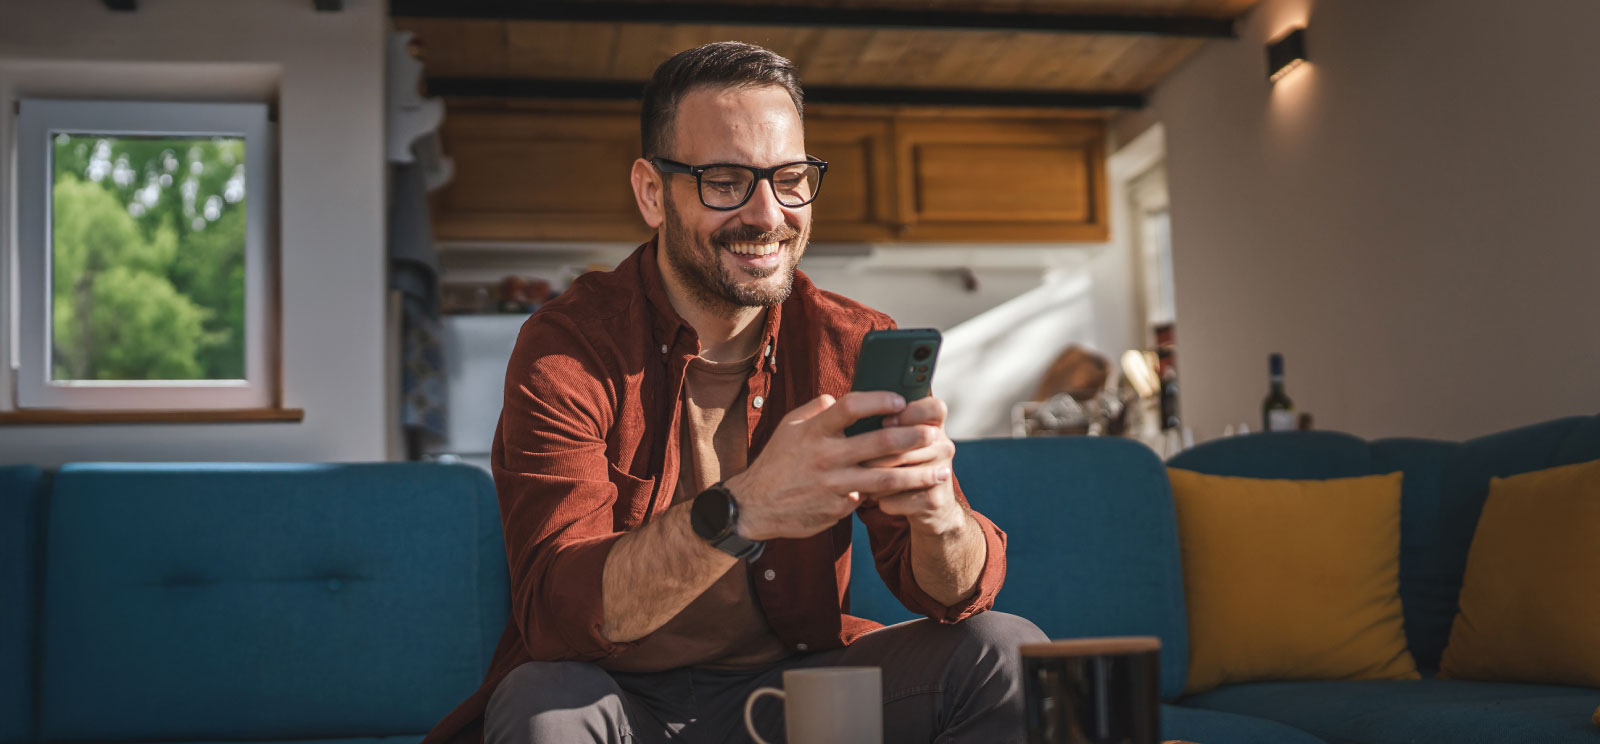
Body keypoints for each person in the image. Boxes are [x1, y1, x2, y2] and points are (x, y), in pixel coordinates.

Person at [421, 41, 1046, 744]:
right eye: (725, 180)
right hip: (615, 698)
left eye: (789, 178)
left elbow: (953, 594)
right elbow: (559, 615)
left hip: (795, 694)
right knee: (541, 701)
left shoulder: (850, 342)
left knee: (1007, 650)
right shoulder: (569, 348)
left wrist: (939, 519)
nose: (767, 214)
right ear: (652, 193)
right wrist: (745, 509)